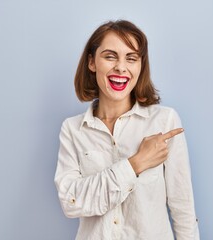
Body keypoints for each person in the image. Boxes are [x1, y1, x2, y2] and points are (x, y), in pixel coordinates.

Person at [54, 20, 199, 240]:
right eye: (110, 56)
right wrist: (135, 164)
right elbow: (71, 202)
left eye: (131, 58)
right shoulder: (73, 130)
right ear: (92, 62)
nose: (121, 67)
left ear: (141, 66)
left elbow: (183, 208)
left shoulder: (165, 121)